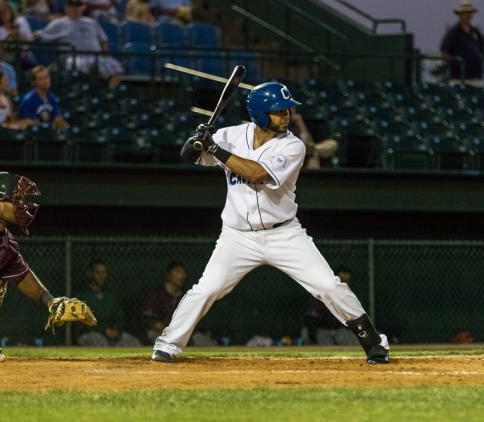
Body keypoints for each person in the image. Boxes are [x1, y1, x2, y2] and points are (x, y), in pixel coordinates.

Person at [152, 82, 389, 364]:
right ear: (261, 114)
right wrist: (197, 139)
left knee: (328, 286)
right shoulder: (230, 135)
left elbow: (256, 173)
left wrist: (214, 147)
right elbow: (189, 157)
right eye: (279, 111)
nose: (286, 116)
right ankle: (168, 345)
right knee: (207, 289)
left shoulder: (292, 146)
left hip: (284, 235)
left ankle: (374, 343)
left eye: (287, 110)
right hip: (237, 237)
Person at [0, 171, 96, 363]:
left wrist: (51, 301)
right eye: (15, 200)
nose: (21, 205)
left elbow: (23, 276)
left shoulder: (5, 244)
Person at [34, 0, 124, 89]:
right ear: (66, 8)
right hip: (74, 56)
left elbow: (103, 40)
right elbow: (41, 35)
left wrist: (105, 54)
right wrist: (30, 35)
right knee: (79, 71)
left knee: (116, 68)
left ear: (83, 7)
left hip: (95, 56)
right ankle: (82, 94)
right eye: (72, 6)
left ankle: (110, 93)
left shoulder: (91, 22)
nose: (75, 9)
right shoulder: (59, 23)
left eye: (77, 6)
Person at [77, 259, 142, 347]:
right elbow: (84, 323)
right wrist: (104, 330)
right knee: (100, 342)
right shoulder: (82, 296)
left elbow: (119, 318)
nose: (101, 276)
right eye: (97, 273)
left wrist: (116, 330)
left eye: (104, 273)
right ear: (90, 274)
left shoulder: (110, 296)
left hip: (111, 333)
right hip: (90, 334)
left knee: (134, 342)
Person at [302, 266, 358, 345]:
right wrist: (312, 336)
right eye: (342, 280)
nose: (345, 283)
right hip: (323, 330)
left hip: (342, 331)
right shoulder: (322, 293)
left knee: (356, 342)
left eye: (347, 281)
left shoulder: (350, 295)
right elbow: (312, 318)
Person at [440, 1, 484, 87]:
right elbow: (445, 53)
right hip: (459, 79)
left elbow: (482, 50)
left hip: (476, 78)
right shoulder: (453, 33)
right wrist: (457, 62)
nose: (467, 16)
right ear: (459, 15)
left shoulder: (475, 32)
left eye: (469, 13)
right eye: (465, 13)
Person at [18, 65, 69, 130]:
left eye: (47, 77)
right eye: (40, 79)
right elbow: (32, 124)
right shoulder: (28, 100)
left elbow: (58, 118)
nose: (45, 81)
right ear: (34, 82)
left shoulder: (52, 97)